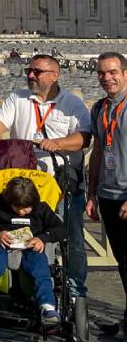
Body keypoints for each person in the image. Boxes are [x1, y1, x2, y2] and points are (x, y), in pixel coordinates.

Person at [0, 54, 91, 300]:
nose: (31, 75)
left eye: (37, 72)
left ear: (54, 75)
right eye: (29, 71)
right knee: (26, 235)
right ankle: (28, 287)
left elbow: (84, 138)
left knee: (70, 237)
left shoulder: (72, 103)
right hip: (26, 187)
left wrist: (57, 143)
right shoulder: (18, 98)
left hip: (62, 181)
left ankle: (75, 291)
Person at [0, 177, 63, 325]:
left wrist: (42, 238)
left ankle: (47, 306)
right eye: (17, 207)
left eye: (26, 208)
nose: (21, 211)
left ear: (33, 202)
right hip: (1, 243)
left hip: (31, 246)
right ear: (9, 201)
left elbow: (60, 229)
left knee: (41, 269)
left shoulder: (41, 209)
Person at [85, 52, 127, 335]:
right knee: (123, 262)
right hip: (109, 195)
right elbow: (98, 150)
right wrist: (91, 192)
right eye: (101, 73)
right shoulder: (100, 108)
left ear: (125, 72)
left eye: (112, 72)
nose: (106, 78)